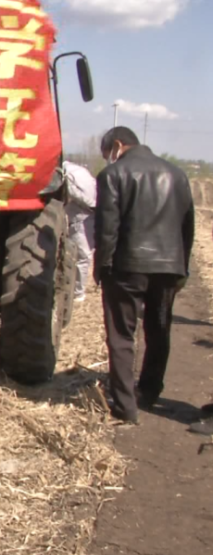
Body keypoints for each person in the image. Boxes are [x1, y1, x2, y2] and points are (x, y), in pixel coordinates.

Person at [94, 127, 194, 425]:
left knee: (122, 335)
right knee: (158, 329)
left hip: (127, 266)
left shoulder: (113, 175)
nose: (109, 159)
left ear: (118, 145)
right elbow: (187, 227)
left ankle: (125, 405)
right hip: (168, 266)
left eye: (108, 153)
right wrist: (181, 267)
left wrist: (102, 267)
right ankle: (149, 391)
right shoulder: (177, 175)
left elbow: (107, 229)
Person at [62, 160, 96, 303]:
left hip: (81, 218)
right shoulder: (81, 172)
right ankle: (77, 292)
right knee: (83, 257)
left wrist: (91, 205)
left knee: (82, 256)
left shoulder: (69, 174)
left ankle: (76, 291)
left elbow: (73, 192)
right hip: (81, 219)